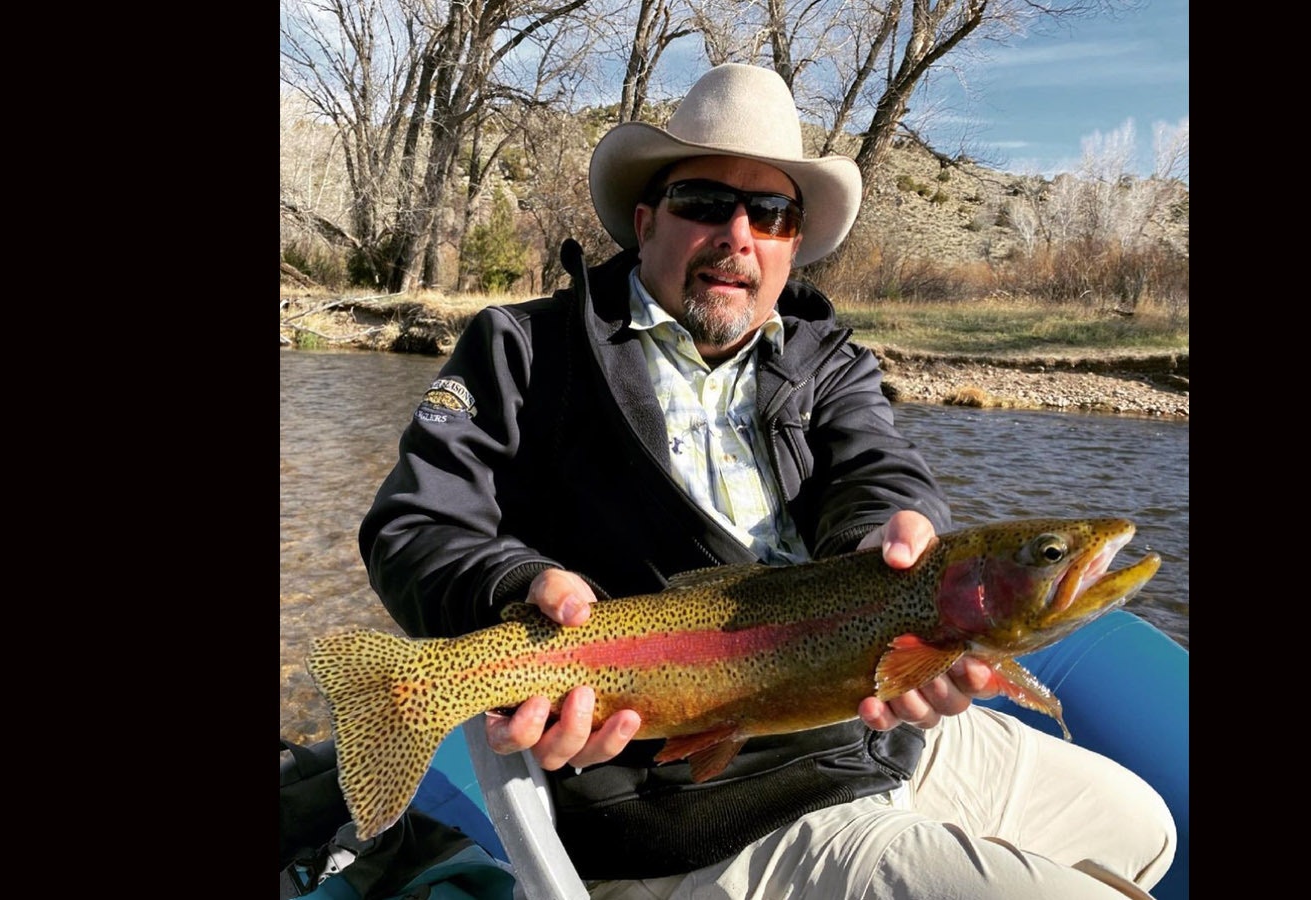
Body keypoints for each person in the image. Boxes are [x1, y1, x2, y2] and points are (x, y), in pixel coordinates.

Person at [359, 62, 1175, 899]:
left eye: (772, 213)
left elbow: (874, 466)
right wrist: (517, 583)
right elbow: (414, 527)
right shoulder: (525, 349)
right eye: (705, 202)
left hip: (866, 730)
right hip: (683, 799)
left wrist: (888, 528)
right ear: (645, 222)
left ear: (792, 242)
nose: (737, 233)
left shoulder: (827, 359)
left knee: (1142, 827)